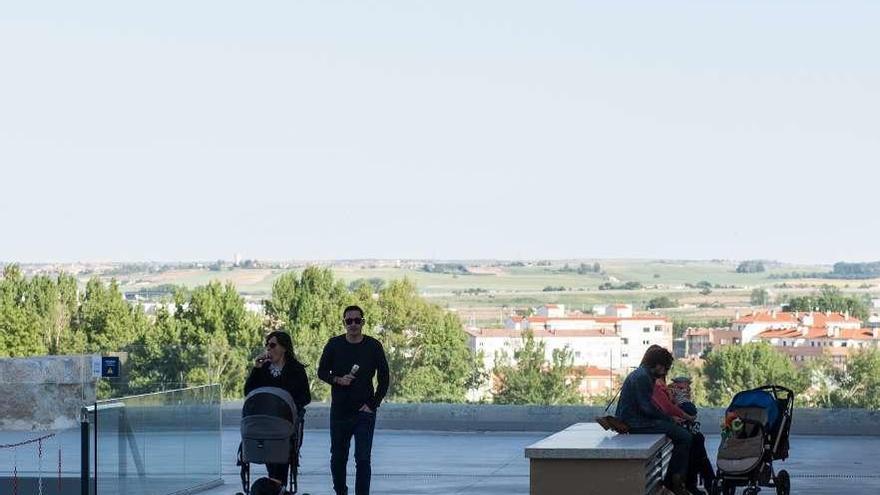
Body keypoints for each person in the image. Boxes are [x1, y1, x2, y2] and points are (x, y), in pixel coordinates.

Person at [318, 305, 390, 495]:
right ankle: (341, 492)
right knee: (338, 458)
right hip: (340, 411)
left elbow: (384, 378)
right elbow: (322, 372)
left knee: (363, 459)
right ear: (344, 323)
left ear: (363, 322)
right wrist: (338, 380)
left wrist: (373, 404)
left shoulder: (373, 346)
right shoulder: (334, 344)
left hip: (364, 412)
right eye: (349, 321)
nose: (353, 324)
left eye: (357, 320)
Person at [615, 345, 693, 495]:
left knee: (682, 435)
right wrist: (669, 419)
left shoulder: (642, 374)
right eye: (665, 368)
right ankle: (674, 481)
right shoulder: (643, 377)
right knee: (685, 437)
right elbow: (647, 408)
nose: (665, 372)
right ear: (657, 365)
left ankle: (672, 480)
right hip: (636, 423)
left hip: (637, 419)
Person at [245, 331, 312, 489]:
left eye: (272, 345)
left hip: (286, 421)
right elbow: (249, 392)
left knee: (279, 456)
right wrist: (256, 368)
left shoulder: (296, 369)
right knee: (272, 456)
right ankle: (276, 487)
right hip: (266, 421)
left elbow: (305, 397)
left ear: (284, 347)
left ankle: (275, 486)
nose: (268, 348)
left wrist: (291, 406)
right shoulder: (263, 368)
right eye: (267, 345)